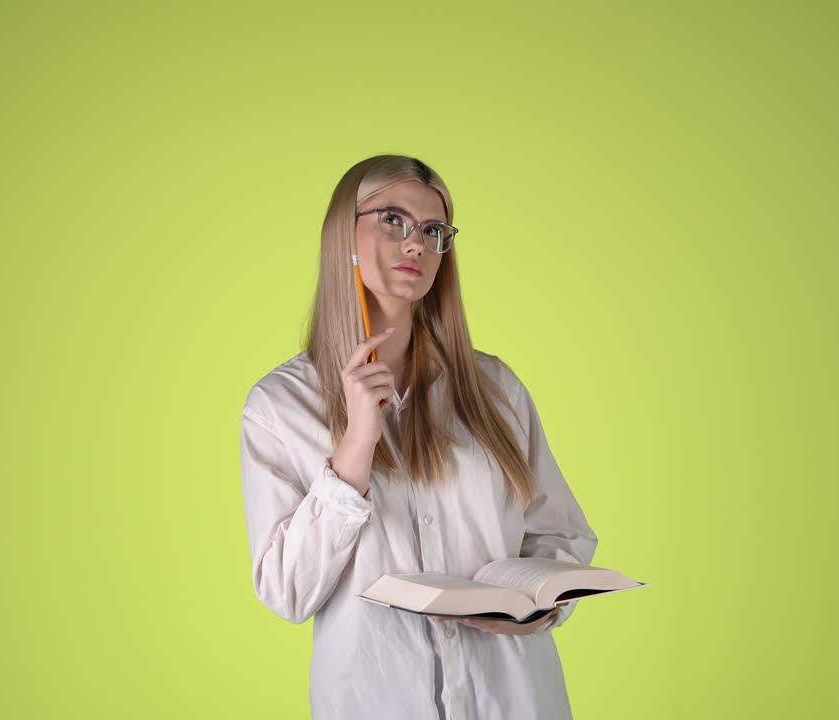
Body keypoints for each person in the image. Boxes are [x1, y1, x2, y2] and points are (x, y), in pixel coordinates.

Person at [240, 154, 598, 719]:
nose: (416, 244)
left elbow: (561, 534)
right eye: (392, 220)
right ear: (344, 234)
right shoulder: (281, 406)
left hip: (513, 699)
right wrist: (357, 446)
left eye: (434, 231)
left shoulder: (494, 388)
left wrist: (533, 605)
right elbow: (287, 592)